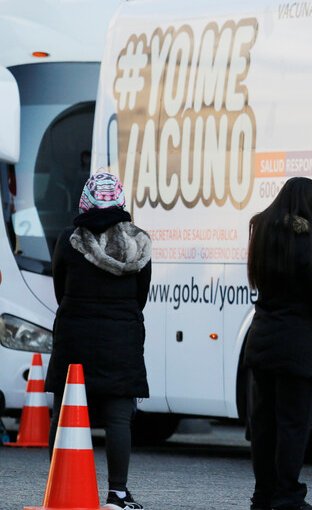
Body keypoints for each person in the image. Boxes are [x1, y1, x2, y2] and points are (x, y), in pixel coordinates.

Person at [46, 171, 152, 510]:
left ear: (85, 200)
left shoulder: (69, 240)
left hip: (75, 339)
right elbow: (141, 297)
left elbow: (60, 290)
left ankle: (61, 487)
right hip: (121, 340)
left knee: (65, 415)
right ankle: (117, 494)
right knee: (119, 418)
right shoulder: (139, 243)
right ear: (121, 199)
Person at [244, 177, 312, 510]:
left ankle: (264, 495)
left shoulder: (262, 234)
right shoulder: (310, 242)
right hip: (299, 348)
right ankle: (288, 496)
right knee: (293, 425)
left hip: (262, 342)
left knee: (264, 426)